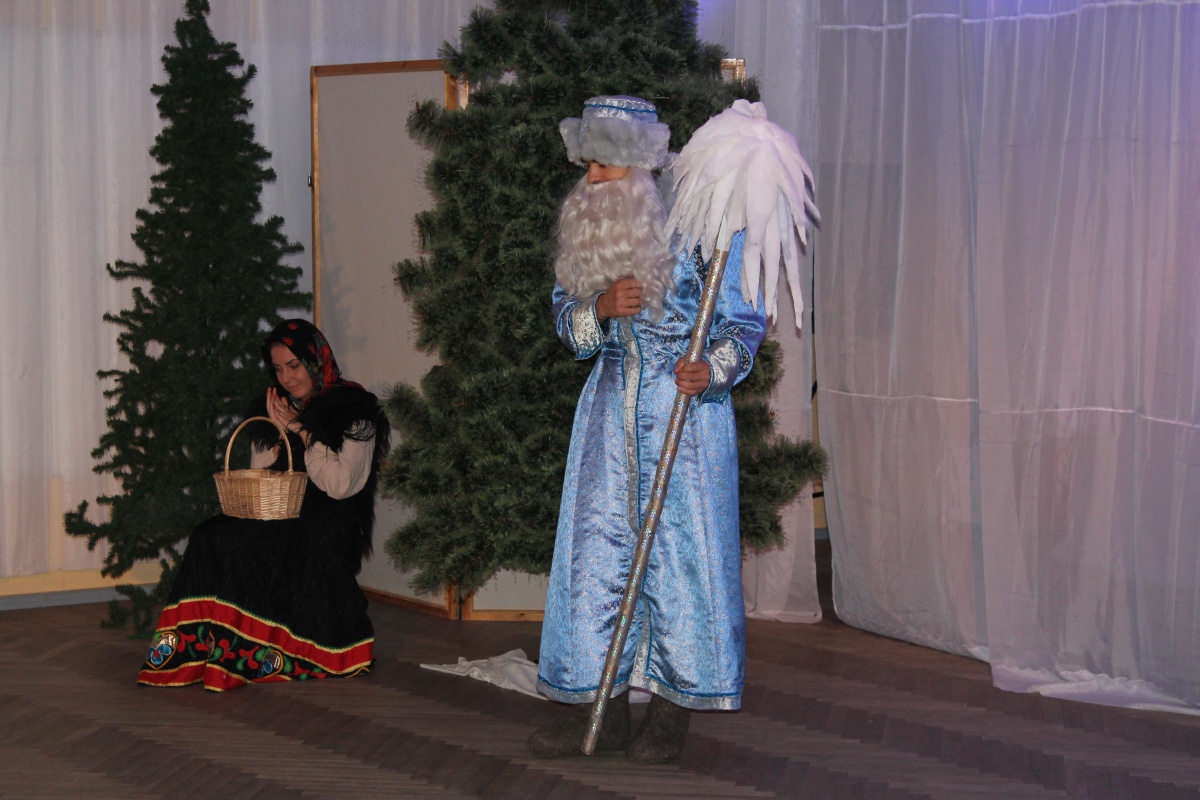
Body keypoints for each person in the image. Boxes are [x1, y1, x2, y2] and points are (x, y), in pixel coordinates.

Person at [529, 96, 766, 764]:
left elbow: (744, 322)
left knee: (683, 565)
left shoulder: (704, 229)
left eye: (602, 165)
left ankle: (670, 710)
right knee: (595, 565)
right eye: (588, 165)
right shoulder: (590, 236)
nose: (590, 179)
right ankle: (595, 707)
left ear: (637, 168)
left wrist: (712, 369)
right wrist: (599, 308)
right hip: (607, 418)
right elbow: (570, 329)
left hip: (686, 421)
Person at [138, 319, 390, 692]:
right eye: (278, 368)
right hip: (280, 512)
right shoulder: (273, 405)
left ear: (316, 360)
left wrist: (302, 431)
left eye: (294, 365)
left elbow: (340, 486)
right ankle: (196, 651)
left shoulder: (355, 409)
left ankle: (246, 654)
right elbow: (261, 477)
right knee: (210, 536)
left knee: (248, 544)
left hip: (327, 525)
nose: (287, 378)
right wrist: (275, 434)